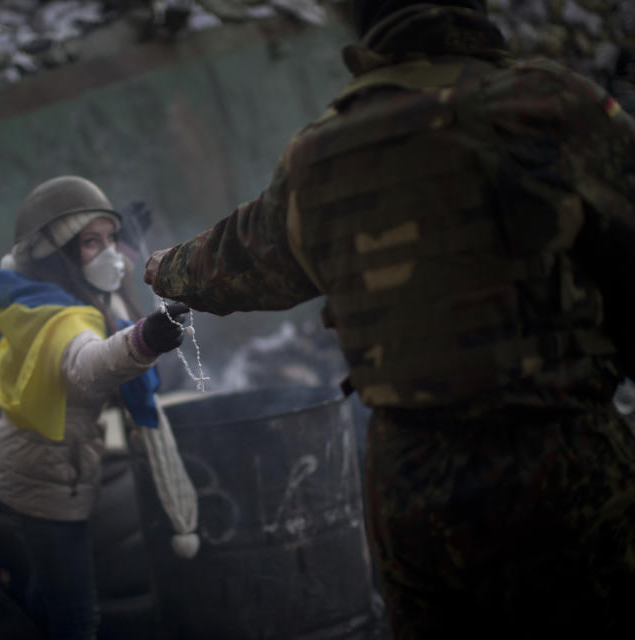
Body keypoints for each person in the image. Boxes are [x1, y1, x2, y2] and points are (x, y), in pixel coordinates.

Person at [144, 1, 635, 637]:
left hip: (411, 485)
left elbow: (237, 257)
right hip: (561, 467)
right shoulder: (547, 107)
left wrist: (165, 269)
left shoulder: (319, 152)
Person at [0, 175, 188, 639]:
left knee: (51, 586)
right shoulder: (56, 317)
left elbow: (109, 284)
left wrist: (130, 243)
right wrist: (145, 339)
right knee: (78, 616)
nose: (111, 254)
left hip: (43, 463)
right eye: (91, 243)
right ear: (56, 255)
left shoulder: (46, 287)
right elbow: (89, 364)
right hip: (46, 478)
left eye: (111, 238)